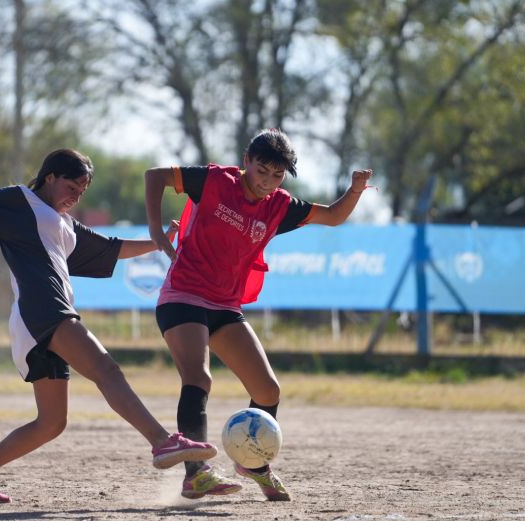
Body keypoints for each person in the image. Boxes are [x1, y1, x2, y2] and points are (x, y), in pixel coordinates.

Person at [0, 148, 217, 504]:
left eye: (82, 192)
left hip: (38, 322)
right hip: (43, 311)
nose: (75, 195)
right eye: (72, 185)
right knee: (106, 369)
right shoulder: (18, 201)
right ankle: (162, 442)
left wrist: (158, 242)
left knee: (51, 423)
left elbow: (109, 249)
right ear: (49, 176)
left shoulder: (64, 224)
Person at [144, 128, 374, 501]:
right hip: (183, 296)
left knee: (268, 389)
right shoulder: (216, 180)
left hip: (224, 306)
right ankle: (196, 474)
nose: (267, 181)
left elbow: (332, 216)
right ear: (246, 161)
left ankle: (252, 463)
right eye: (261, 170)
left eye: (277, 175)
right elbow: (155, 175)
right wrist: (155, 229)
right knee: (199, 378)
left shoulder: (279, 206)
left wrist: (356, 189)